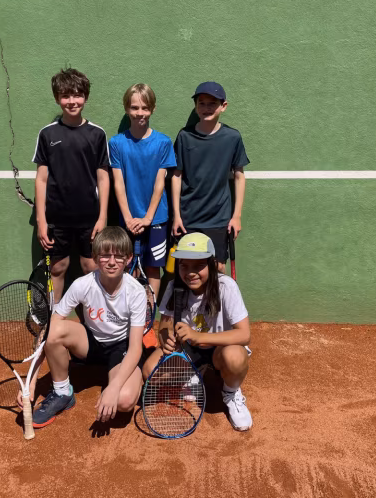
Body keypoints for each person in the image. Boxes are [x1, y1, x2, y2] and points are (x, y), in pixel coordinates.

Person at [24, 227, 148, 428]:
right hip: (90, 343)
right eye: (105, 255)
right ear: (95, 257)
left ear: (129, 259)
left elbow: (135, 347)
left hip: (121, 348)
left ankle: (132, 380)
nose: (111, 261)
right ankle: (63, 393)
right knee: (53, 329)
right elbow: (49, 331)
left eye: (118, 256)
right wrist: (32, 381)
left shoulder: (135, 292)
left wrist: (114, 388)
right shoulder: (83, 284)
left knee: (124, 401)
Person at [142, 232, 253, 431]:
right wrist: (166, 339)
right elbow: (165, 326)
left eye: (198, 266)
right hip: (189, 350)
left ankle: (230, 392)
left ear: (211, 264)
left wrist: (199, 336)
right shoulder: (173, 286)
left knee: (235, 357)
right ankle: (192, 375)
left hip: (220, 348)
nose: (190, 272)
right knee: (150, 371)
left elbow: (244, 334)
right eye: (184, 265)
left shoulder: (226, 286)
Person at [32, 68, 110, 303]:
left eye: (77, 95)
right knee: (57, 269)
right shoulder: (47, 134)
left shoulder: (97, 134)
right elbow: (41, 179)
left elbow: (103, 178)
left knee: (90, 268)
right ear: (57, 98)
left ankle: (95, 324)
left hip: (89, 218)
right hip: (57, 219)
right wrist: (41, 221)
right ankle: (52, 325)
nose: (72, 101)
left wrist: (102, 217)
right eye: (66, 96)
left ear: (85, 97)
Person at [171, 81, 249, 273]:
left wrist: (236, 216)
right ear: (196, 106)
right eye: (202, 103)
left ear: (223, 106)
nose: (206, 108)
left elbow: (239, 176)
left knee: (217, 267)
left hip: (218, 218)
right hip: (188, 217)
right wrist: (177, 216)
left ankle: (214, 304)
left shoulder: (232, 137)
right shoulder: (184, 136)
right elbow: (176, 176)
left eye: (212, 103)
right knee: (186, 269)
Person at [109, 84, 177, 298]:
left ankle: (148, 317)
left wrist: (148, 218)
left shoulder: (164, 142)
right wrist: (128, 218)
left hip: (156, 219)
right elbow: (118, 183)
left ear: (153, 109)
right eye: (135, 107)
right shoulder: (116, 143)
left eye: (145, 108)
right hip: (127, 219)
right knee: (130, 269)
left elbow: (160, 183)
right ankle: (133, 317)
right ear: (127, 109)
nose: (140, 113)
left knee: (152, 269)